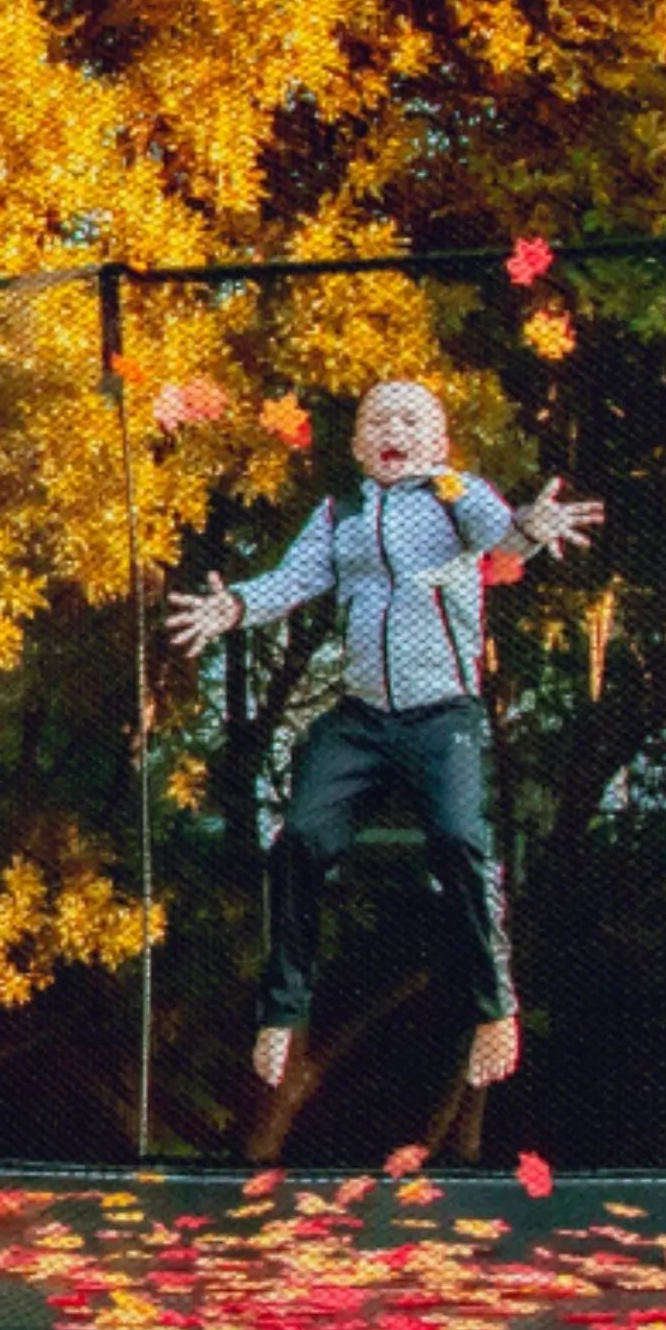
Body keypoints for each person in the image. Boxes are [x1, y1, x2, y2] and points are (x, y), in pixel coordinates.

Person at [166, 380, 603, 1091]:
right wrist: (232, 607)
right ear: (359, 445)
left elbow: (505, 537)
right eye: (378, 421)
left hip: (443, 718)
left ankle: (496, 1010)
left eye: (410, 420)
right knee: (299, 841)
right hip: (361, 720)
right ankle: (283, 1011)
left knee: (460, 843)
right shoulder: (341, 512)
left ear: (437, 440)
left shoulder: (459, 496)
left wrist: (533, 526)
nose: (392, 430)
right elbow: (291, 580)